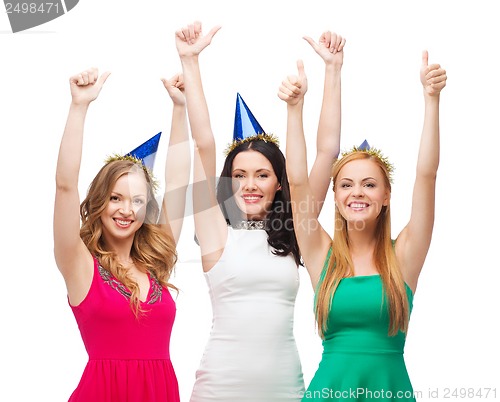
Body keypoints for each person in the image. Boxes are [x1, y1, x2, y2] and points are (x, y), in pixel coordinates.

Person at [175, 21, 345, 401]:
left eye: (262, 175)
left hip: (284, 389)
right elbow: (204, 144)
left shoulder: (295, 228)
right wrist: (190, 61)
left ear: (279, 182)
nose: (249, 184)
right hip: (218, 389)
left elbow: (327, 153)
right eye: (239, 175)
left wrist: (333, 70)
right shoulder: (216, 230)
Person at [280, 50, 447, 401]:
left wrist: (431, 101)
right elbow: (296, 182)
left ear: (386, 195)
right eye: (346, 184)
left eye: (369, 184)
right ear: (336, 196)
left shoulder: (403, 255)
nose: (357, 192)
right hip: (329, 390)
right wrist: (294, 111)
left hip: (389, 390)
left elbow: (427, 176)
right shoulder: (320, 252)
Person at [53, 68, 190, 402]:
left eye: (137, 200)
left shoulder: (155, 263)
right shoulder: (80, 265)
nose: (126, 209)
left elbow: (179, 185)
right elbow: (65, 185)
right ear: (100, 202)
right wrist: (79, 106)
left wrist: (180, 108)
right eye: (115, 198)